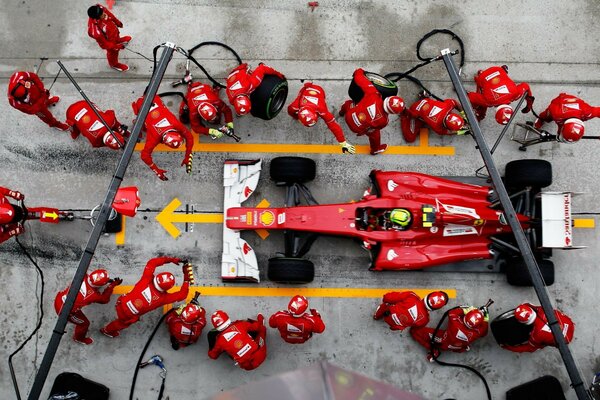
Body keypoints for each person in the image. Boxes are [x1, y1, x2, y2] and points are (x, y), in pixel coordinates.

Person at [100, 257, 193, 337]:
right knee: (121, 323)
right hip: (128, 316)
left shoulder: (146, 279)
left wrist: (172, 260)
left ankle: (107, 330)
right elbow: (182, 295)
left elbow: (152, 262)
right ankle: (106, 330)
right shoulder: (162, 298)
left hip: (121, 302)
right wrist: (186, 278)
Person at [339, 68, 405, 155]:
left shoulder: (373, 94)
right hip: (356, 129)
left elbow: (362, 81)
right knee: (375, 134)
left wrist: (358, 72)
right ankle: (375, 149)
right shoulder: (384, 121)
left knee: (348, 103)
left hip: (349, 115)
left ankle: (341, 112)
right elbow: (373, 127)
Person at [132, 95, 194, 181]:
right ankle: (137, 122)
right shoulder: (154, 137)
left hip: (153, 100)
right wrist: (156, 170)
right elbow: (144, 156)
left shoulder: (174, 124)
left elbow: (145, 156)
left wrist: (156, 169)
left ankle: (139, 120)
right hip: (145, 104)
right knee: (142, 127)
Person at [54, 269, 122, 345]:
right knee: (84, 324)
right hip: (64, 311)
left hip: (59, 298)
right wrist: (112, 285)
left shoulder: (83, 275)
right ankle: (78, 338)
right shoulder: (94, 296)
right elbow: (105, 300)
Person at [287, 82, 355, 154]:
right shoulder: (293, 107)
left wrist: (343, 143)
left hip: (320, 91)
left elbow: (334, 127)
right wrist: (343, 143)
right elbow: (333, 125)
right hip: (315, 90)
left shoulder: (322, 110)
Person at [410, 305, 489, 361]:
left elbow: (452, 312)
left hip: (444, 341)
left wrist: (467, 310)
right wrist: (485, 319)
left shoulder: (455, 322)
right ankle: (464, 348)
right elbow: (484, 332)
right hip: (457, 347)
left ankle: (434, 350)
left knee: (414, 331)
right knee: (461, 345)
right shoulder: (478, 332)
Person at [0, 186, 70, 245]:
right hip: (6, 224)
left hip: (8, 209)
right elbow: (2, 238)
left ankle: (56, 214)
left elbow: (1, 190)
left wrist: (13, 193)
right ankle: (56, 214)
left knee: (27, 211)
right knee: (15, 224)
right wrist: (12, 232)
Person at [467, 65, 534, 125]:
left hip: (498, 69)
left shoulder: (516, 94)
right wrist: (475, 106)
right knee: (481, 106)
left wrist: (529, 105)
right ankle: (479, 116)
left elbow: (525, 86)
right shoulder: (489, 102)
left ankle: (502, 69)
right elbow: (470, 96)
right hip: (483, 77)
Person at [501, 303, 575, 353]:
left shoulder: (536, 335)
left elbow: (529, 348)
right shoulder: (543, 310)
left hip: (564, 341)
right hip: (569, 324)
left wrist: (509, 348)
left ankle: (543, 344)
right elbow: (532, 306)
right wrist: (525, 306)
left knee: (539, 344)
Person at [533, 93, 600, 143]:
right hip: (559, 102)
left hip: (573, 102)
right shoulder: (557, 113)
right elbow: (560, 125)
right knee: (547, 115)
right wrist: (559, 134)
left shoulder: (588, 112)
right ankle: (541, 119)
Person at [400, 95, 466, 143]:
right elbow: (449, 132)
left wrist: (463, 113)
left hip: (425, 102)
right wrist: (461, 132)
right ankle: (404, 113)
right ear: (445, 126)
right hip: (415, 110)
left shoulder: (448, 106)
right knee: (410, 138)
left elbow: (455, 103)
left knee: (441, 103)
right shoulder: (437, 127)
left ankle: (424, 97)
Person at [374, 291, 448, 331]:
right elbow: (415, 328)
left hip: (387, 314)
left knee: (386, 304)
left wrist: (385, 299)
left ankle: (376, 316)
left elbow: (389, 298)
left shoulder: (411, 296)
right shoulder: (425, 320)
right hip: (395, 326)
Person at [87, 4, 131, 71]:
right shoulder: (96, 32)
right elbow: (105, 45)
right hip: (108, 41)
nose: (104, 14)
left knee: (116, 37)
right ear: (97, 18)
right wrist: (117, 47)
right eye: (102, 14)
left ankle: (118, 40)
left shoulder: (100, 8)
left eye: (103, 11)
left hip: (113, 33)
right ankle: (114, 64)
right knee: (113, 52)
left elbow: (110, 14)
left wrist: (117, 22)